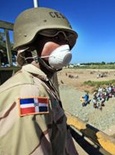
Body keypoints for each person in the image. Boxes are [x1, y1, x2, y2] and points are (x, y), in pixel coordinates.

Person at [0, 7, 79, 155]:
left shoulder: (40, 84)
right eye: (56, 37)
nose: (65, 46)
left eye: (65, 39)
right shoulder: (28, 93)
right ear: (30, 46)